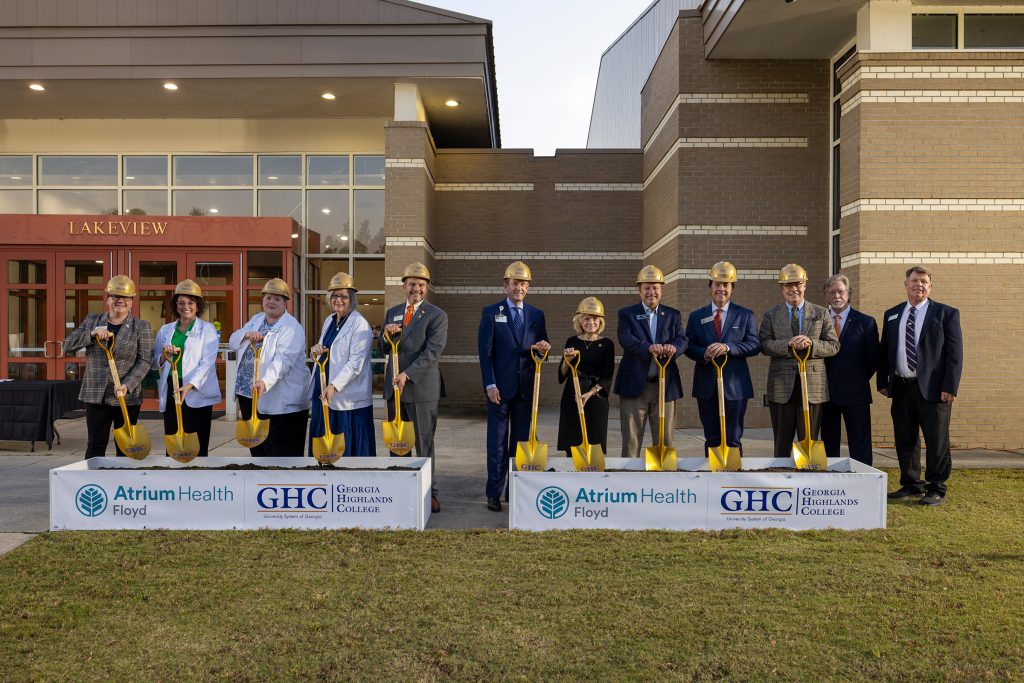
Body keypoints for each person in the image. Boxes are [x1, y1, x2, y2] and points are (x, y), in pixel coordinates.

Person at [878, 266, 962, 506]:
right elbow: (886, 350)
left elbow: (955, 356)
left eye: (924, 281)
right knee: (905, 438)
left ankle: (936, 487)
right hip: (902, 388)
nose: (919, 285)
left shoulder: (946, 313)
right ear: (905, 284)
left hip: (934, 390)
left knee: (936, 440)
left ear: (930, 286)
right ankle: (911, 484)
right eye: (914, 281)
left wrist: (950, 386)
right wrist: (883, 380)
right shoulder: (892, 314)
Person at [478, 261, 550, 512]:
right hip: (499, 389)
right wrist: (490, 384)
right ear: (505, 286)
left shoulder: (536, 315)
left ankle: (515, 488)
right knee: (497, 444)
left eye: (524, 284)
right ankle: (494, 492)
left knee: (520, 442)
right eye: (515, 283)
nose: (519, 287)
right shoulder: (491, 312)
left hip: (526, 389)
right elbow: (485, 353)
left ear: (528, 287)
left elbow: (543, 349)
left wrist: (543, 350)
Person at [381, 262, 448, 513]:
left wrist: (407, 374)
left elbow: (433, 352)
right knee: (398, 443)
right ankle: (400, 489)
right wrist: (385, 335)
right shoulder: (393, 312)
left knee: (423, 442)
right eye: (411, 284)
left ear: (426, 288)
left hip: (421, 388)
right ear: (403, 286)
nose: (416, 289)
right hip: (394, 390)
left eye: (420, 284)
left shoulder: (436, 315)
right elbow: (383, 347)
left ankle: (429, 492)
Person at [63, 275, 153, 457]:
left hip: (126, 396)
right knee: (96, 445)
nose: (120, 301)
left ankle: (122, 484)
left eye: (125, 297)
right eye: (115, 296)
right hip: (96, 394)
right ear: (107, 299)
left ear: (132, 301)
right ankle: (94, 483)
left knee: (126, 448)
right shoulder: (92, 321)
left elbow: (145, 360)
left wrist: (128, 384)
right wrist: (92, 333)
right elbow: (67, 345)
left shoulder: (141, 326)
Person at [759, 264, 840, 459]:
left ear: (805, 285)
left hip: (813, 387)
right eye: (788, 285)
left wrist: (811, 344)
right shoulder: (771, 314)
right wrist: (789, 344)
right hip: (781, 387)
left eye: (797, 284)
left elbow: (833, 346)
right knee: (781, 443)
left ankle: (808, 484)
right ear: (781, 288)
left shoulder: (821, 313)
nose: (793, 289)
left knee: (810, 440)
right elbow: (764, 344)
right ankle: (780, 480)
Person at [683, 261, 760, 457]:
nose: (721, 289)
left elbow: (754, 345)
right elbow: (688, 346)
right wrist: (703, 354)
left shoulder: (744, 315)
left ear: (732, 288)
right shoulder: (696, 316)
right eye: (717, 284)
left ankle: (733, 479)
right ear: (710, 287)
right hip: (706, 386)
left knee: (733, 438)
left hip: (735, 387)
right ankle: (711, 479)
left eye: (726, 285)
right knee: (712, 438)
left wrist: (728, 347)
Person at [228, 278, 308, 456]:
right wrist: (247, 334)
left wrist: (265, 381)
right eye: (268, 298)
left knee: (280, 450)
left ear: (285, 302)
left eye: (277, 299)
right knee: (258, 449)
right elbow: (234, 341)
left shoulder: (291, 328)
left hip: (279, 398)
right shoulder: (256, 319)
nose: (271, 302)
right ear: (262, 300)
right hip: (249, 393)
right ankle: (260, 481)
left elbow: (283, 360)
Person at [613, 264, 687, 458]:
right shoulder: (627, 314)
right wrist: (647, 347)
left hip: (665, 385)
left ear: (661, 290)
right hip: (634, 385)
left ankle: (663, 482)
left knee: (665, 439)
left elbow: (682, 339)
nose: (651, 292)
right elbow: (626, 338)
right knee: (631, 439)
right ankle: (630, 481)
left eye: (655, 287)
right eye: (646, 288)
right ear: (639, 290)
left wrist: (674, 348)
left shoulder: (673, 315)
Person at [309, 271, 376, 458]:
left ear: (351, 299)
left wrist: (334, 386)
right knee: (324, 440)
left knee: (346, 441)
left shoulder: (360, 324)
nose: (338, 300)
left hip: (346, 394)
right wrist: (317, 349)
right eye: (335, 295)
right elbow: (326, 347)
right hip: (323, 388)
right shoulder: (330, 320)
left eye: (343, 296)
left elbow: (356, 363)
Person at [153, 279, 221, 457]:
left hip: (195, 389)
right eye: (181, 303)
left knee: (197, 441)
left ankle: (198, 479)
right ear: (175, 305)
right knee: (173, 436)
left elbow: (207, 363)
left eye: (190, 303)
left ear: (197, 306)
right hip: (172, 388)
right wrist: (163, 356)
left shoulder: (207, 329)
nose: (186, 307)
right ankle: (174, 478)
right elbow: (154, 361)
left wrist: (190, 385)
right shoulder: (166, 330)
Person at [821, 273, 880, 465]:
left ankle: (862, 477)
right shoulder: (817, 322)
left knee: (859, 441)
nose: (836, 296)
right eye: (832, 292)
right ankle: (829, 480)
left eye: (840, 291)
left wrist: (856, 378)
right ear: (826, 295)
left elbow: (872, 359)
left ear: (849, 294)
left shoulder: (866, 322)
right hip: (825, 392)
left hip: (856, 392)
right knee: (828, 441)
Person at [557, 297, 615, 457]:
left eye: (595, 318)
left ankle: (592, 479)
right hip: (573, 396)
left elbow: (608, 375)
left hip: (596, 397)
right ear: (580, 321)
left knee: (595, 444)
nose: (591, 322)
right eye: (587, 318)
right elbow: (562, 374)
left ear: (601, 321)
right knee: (573, 443)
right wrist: (566, 362)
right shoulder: (572, 341)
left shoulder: (607, 343)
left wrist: (589, 394)